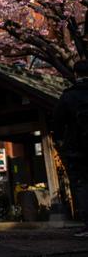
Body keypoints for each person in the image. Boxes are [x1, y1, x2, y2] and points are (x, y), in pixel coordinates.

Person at [53, 60, 88, 238]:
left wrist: (59, 140)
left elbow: (58, 122)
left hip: (76, 148)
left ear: (75, 74)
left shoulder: (69, 96)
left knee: (81, 185)